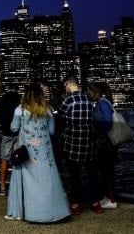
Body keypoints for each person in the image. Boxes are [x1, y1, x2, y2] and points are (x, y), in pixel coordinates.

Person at [4, 83, 70, 223]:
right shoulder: (48, 110)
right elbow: (51, 131)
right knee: (48, 180)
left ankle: (32, 213)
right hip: (45, 152)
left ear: (26, 95)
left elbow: (14, 128)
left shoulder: (19, 110)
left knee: (29, 183)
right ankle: (54, 213)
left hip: (27, 152)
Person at [57, 74, 103, 215]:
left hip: (73, 143)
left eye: (65, 86)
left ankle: (76, 204)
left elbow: (59, 118)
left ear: (69, 85)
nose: (66, 89)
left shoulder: (68, 101)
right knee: (92, 174)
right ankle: (96, 203)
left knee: (75, 175)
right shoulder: (88, 99)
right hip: (88, 142)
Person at [87, 82, 118, 209]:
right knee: (105, 170)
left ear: (96, 91)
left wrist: (98, 130)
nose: (88, 93)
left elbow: (107, 122)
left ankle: (111, 199)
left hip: (106, 142)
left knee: (106, 170)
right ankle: (108, 197)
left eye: (89, 91)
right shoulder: (101, 102)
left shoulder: (103, 103)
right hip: (106, 142)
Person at [0, 89, 20, 196]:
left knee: (4, 159)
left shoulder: (1, 104)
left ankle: (3, 188)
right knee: (18, 160)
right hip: (18, 135)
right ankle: (17, 187)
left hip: (6, 134)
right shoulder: (17, 106)